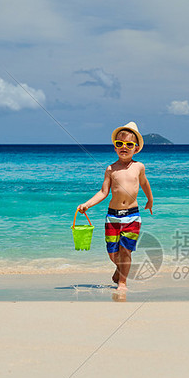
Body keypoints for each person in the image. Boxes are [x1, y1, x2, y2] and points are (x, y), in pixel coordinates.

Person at [77, 122, 153, 290]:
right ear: (115, 147)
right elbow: (103, 192)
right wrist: (87, 205)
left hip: (132, 215)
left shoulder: (138, 167)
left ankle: (122, 282)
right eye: (119, 144)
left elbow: (145, 183)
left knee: (126, 250)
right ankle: (119, 269)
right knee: (113, 253)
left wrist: (150, 200)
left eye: (129, 144)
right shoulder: (111, 169)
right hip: (113, 216)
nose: (123, 147)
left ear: (136, 148)